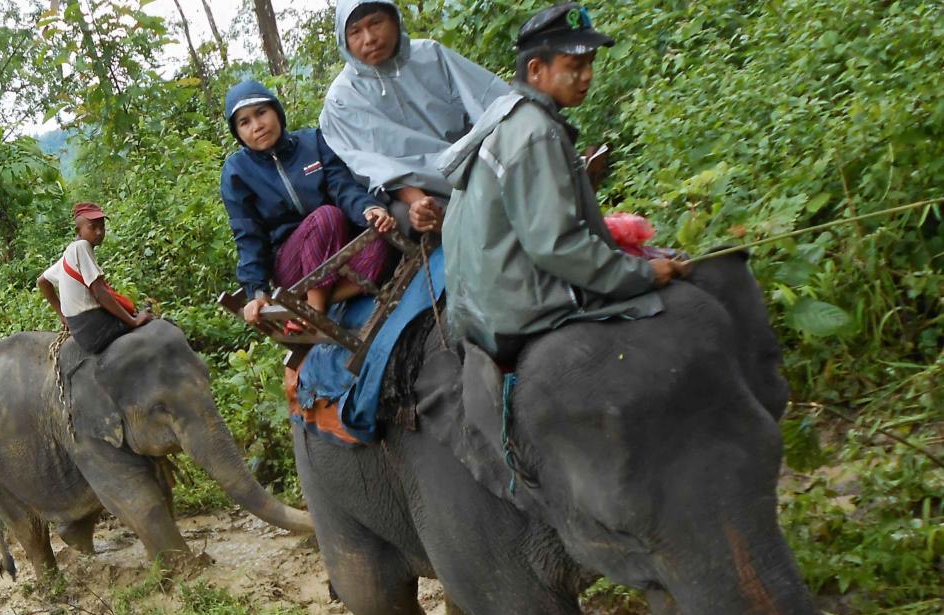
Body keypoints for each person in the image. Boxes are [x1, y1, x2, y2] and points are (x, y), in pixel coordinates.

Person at [440, 3, 692, 361]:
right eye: (575, 66)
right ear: (536, 70)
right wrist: (642, 274)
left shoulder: (504, 116)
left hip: (480, 310)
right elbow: (556, 246)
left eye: (590, 63)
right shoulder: (536, 133)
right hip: (520, 313)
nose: (587, 76)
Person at [320, 0, 510, 235]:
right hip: (423, 191)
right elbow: (372, 167)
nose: (369, 38)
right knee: (406, 216)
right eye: (355, 32)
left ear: (395, 20)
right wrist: (419, 202)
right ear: (344, 40)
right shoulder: (342, 99)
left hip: (478, 164)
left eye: (376, 22)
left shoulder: (431, 55)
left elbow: (489, 101)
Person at [220, 79, 396, 327]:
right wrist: (257, 292)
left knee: (381, 240)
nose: (257, 126)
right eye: (244, 122)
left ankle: (311, 304)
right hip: (291, 264)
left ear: (277, 112)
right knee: (326, 216)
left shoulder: (312, 142)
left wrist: (369, 209)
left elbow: (341, 186)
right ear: (237, 132)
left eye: (261, 113)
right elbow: (248, 235)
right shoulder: (237, 171)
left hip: (336, 249)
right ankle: (315, 309)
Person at [37, 202, 153, 355]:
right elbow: (100, 293)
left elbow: (42, 281)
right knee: (147, 321)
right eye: (92, 227)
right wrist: (133, 322)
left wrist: (63, 316)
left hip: (81, 331)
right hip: (95, 328)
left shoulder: (68, 254)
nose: (99, 232)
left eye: (102, 227)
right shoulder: (81, 247)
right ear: (78, 231)